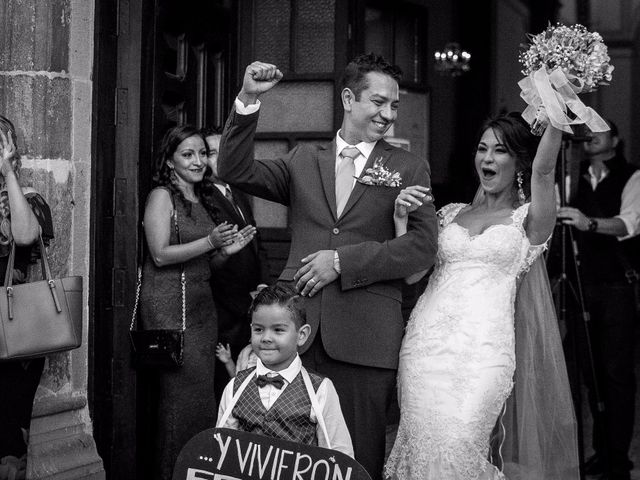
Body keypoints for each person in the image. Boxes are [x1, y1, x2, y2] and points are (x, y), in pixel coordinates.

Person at [217, 54, 438, 478]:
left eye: (394, 106)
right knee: (279, 458)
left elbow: (423, 247)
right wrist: (248, 99)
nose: (388, 115)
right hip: (295, 331)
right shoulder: (304, 159)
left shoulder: (409, 166)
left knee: (355, 458)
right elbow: (233, 168)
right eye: (378, 102)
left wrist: (343, 260)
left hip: (364, 336)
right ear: (349, 98)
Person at [385, 112, 579, 479]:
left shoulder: (529, 220)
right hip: (425, 350)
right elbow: (411, 272)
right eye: (482, 148)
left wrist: (558, 103)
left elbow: (544, 172)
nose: (487, 159)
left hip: (483, 354)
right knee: (421, 452)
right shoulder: (449, 215)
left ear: (519, 161)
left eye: (500, 151)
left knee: (459, 446)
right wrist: (400, 221)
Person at [140, 124, 256, 479]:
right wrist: (209, 241)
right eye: (187, 154)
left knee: (202, 399)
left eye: (202, 154)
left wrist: (226, 251)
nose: (198, 161)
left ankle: (197, 472)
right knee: (179, 400)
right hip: (170, 308)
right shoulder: (162, 196)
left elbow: (206, 262)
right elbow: (159, 254)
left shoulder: (202, 197)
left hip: (203, 307)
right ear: (170, 160)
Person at [557, 120, 640, 480]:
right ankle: (600, 450)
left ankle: (618, 459)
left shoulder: (632, 176)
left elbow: (628, 224)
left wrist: (587, 222)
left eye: (600, 131)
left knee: (616, 375)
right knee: (590, 374)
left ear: (615, 140)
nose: (591, 136)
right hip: (580, 285)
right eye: (588, 131)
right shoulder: (571, 174)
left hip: (616, 287)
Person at [216, 284, 353, 456]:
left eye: (278, 330)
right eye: (258, 329)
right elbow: (220, 452)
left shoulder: (321, 390)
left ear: (301, 335)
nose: (266, 338)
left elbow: (340, 456)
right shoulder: (235, 387)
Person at [0, 115, 54, 478]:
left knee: (6, 431)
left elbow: (22, 236)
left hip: (10, 331)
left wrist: (7, 175)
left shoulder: (27, 198)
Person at [201, 127, 269, 401]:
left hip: (251, 304)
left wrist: (263, 284)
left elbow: (256, 244)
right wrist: (241, 301)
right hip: (225, 309)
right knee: (226, 384)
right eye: (213, 153)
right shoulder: (204, 197)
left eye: (224, 151)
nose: (220, 158)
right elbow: (213, 259)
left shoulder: (238, 192)